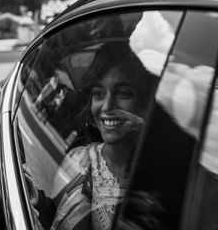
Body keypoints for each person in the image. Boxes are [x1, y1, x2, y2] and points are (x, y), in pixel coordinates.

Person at [31, 42, 154, 230]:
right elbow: (57, 216)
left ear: (144, 102)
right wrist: (37, 200)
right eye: (99, 93)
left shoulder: (164, 176)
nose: (106, 107)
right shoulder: (80, 160)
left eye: (123, 93)